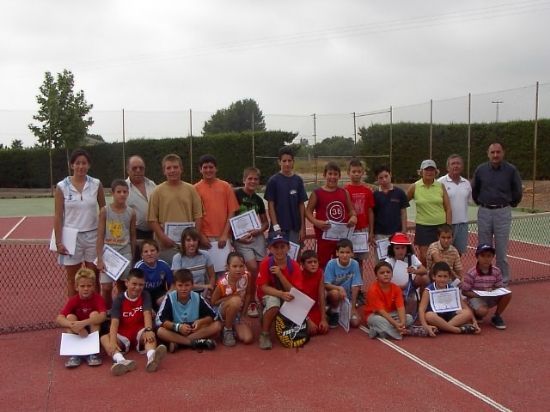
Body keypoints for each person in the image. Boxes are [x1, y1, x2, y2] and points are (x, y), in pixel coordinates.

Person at [54, 148, 106, 296]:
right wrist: (58, 242)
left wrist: (105, 237)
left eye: (84, 163)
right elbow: (58, 216)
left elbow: (103, 211)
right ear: (72, 165)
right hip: (71, 238)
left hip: (93, 237)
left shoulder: (96, 184)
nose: (81, 166)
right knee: (72, 279)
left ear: (88, 165)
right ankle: (73, 314)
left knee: (94, 277)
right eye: (77, 163)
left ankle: (96, 312)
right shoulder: (61, 186)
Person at [100, 268, 167, 376]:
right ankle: (121, 361)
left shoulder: (145, 295)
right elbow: (114, 322)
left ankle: (152, 357)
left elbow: (147, 314)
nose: (137, 287)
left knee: (150, 334)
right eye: (134, 284)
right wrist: (113, 341)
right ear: (126, 283)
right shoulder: (119, 299)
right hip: (122, 334)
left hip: (139, 332)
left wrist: (149, 330)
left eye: (141, 285)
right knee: (104, 338)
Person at [472, 142, 523, 286]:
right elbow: (475, 190)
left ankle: (503, 282)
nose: (495, 155)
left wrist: (510, 204)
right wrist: (483, 203)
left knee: (501, 252)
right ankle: (482, 280)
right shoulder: (480, 170)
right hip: (484, 212)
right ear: (488, 154)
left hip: (503, 212)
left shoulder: (511, 170)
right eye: (492, 152)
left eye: (498, 152)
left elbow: (517, 190)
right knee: (484, 249)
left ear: (503, 153)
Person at [147, 153, 203, 262]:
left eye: (175, 167)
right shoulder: (157, 191)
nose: (172, 170)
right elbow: (151, 219)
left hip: (187, 244)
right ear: (164, 171)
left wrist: (194, 238)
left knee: (186, 275)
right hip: (166, 245)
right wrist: (163, 238)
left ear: (181, 169)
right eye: (168, 168)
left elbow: (198, 216)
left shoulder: (191, 189)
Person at [233, 166, 269, 318]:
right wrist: (237, 236)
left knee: (261, 270)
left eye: (256, 179)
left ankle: (258, 297)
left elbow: (265, 223)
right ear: (244, 180)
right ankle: (250, 299)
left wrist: (258, 231)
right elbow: (229, 218)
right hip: (241, 239)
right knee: (252, 268)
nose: (253, 181)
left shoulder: (258, 200)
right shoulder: (235, 195)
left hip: (257, 237)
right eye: (250, 178)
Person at [305, 162, 357, 269]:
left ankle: (339, 285)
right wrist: (316, 222)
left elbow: (352, 211)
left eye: (335, 174)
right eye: (330, 174)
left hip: (341, 238)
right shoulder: (317, 193)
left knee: (341, 264)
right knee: (323, 264)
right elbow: (308, 211)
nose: (332, 177)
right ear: (324, 175)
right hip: (324, 237)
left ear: (339, 176)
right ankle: (323, 285)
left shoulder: (344, 192)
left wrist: (353, 217)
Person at [156, 269, 221, 352]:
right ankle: (194, 343)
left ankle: (179, 342)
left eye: (187, 285)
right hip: (176, 330)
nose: (183, 288)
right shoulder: (169, 298)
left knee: (217, 325)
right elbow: (160, 321)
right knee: (160, 331)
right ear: (175, 286)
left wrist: (200, 322)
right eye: (180, 285)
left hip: (194, 331)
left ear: (192, 285)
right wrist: (178, 327)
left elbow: (212, 316)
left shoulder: (197, 297)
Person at [256, 233, 302, 350]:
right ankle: (265, 334)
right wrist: (281, 294)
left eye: (282, 247)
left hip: (289, 294)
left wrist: (280, 275)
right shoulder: (266, 263)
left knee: (296, 301)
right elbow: (263, 287)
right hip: (270, 295)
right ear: (270, 248)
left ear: (288, 247)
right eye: (275, 247)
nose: (279, 250)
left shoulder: (294, 266)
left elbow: (294, 290)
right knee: (274, 303)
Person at [96, 179, 136, 309]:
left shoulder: (131, 212)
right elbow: (100, 236)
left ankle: (120, 311)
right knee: (106, 287)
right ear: (112, 193)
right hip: (109, 253)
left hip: (125, 253)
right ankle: (107, 311)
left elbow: (132, 235)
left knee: (123, 285)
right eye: (119, 192)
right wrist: (100, 259)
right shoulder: (105, 211)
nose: (122, 194)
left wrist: (133, 256)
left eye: (125, 192)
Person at [56, 268, 106, 368]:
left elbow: (103, 316)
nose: (86, 289)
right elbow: (59, 318)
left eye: (89, 286)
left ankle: (93, 353)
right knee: (70, 317)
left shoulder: (98, 298)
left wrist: (84, 323)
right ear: (76, 287)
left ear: (93, 287)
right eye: (82, 286)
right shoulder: (73, 300)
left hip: (91, 327)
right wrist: (75, 326)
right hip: (78, 330)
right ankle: (75, 354)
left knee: (95, 315)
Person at [407, 159, 451, 266]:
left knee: (441, 256)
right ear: (421, 172)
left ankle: (439, 279)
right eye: (426, 170)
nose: (429, 172)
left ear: (436, 172)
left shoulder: (440, 186)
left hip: (440, 226)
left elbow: (448, 208)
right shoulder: (414, 186)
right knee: (424, 256)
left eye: (432, 170)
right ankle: (426, 279)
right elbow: (403, 203)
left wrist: (448, 227)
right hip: (423, 227)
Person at [418, 262, 479, 337]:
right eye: (439, 276)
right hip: (436, 316)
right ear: (434, 276)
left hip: (451, 317)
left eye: (445, 276)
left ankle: (442, 328)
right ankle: (457, 330)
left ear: (449, 277)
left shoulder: (452, 289)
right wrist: (425, 325)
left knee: (467, 313)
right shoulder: (428, 290)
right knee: (428, 315)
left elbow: (464, 306)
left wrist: (474, 321)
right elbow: (421, 309)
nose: (442, 279)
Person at [194, 154, 240, 252]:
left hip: (223, 237)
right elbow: (193, 215)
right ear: (200, 169)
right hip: (204, 238)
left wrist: (224, 235)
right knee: (206, 267)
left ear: (216, 168)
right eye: (205, 167)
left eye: (211, 167)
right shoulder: (195, 189)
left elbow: (231, 212)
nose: (208, 170)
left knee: (224, 267)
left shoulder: (226, 186)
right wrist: (200, 236)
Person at [461, 244, 512, 330]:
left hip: (490, 296)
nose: (486, 259)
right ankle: (476, 313)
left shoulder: (496, 271)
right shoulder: (471, 273)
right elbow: (464, 292)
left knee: (508, 292)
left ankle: (496, 316)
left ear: (492, 257)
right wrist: (478, 294)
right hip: (476, 297)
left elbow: (499, 286)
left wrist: (493, 290)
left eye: (489, 256)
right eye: (483, 256)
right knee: (482, 312)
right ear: (477, 257)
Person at [264, 146, 308, 243]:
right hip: (279, 229)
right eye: (284, 161)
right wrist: (276, 226)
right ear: (279, 162)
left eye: (289, 160)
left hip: (295, 229)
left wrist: (302, 227)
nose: (287, 164)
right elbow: (270, 205)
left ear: (293, 161)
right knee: (278, 257)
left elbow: (301, 205)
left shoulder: (298, 180)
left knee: (294, 257)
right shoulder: (273, 181)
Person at [211, 252, 254, 347]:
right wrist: (230, 298)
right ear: (228, 267)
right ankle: (227, 329)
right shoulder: (222, 283)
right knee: (236, 301)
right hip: (221, 311)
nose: (238, 269)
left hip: (237, 312)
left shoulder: (247, 276)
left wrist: (243, 315)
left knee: (248, 338)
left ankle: (231, 325)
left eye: (241, 266)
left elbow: (248, 295)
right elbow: (213, 302)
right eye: (234, 266)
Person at [364, 261, 413, 340]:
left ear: (392, 274)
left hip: (392, 314)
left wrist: (402, 323)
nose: (386, 274)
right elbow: (381, 312)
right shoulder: (373, 290)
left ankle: (378, 331)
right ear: (376, 276)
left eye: (388, 272)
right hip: (375, 315)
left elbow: (400, 307)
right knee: (380, 321)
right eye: (382, 273)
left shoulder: (396, 288)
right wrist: (395, 324)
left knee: (409, 318)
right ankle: (400, 333)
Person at [369, 165, 409, 259]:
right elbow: (372, 214)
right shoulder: (375, 195)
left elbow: (403, 212)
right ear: (377, 179)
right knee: (382, 263)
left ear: (390, 175)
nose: (384, 179)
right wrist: (371, 232)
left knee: (398, 261)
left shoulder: (400, 193)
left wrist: (404, 230)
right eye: (381, 178)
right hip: (380, 234)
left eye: (386, 176)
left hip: (396, 234)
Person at [323, 238, 363, 329]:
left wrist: (353, 308)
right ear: (337, 253)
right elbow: (326, 284)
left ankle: (343, 311)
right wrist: (339, 288)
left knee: (355, 323)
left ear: (352, 253)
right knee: (335, 293)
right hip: (334, 296)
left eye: (348, 252)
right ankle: (332, 311)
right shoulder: (331, 264)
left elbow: (355, 286)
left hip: (346, 299)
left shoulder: (355, 264)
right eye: (342, 252)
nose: (345, 255)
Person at [345, 159, 375, 273]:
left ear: (362, 173)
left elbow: (370, 211)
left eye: (359, 171)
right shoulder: (345, 190)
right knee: (348, 259)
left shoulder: (367, 191)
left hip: (363, 230)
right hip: (349, 230)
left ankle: (358, 287)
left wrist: (371, 231)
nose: (356, 174)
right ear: (349, 173)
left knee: (359, 261)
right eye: (354, 171)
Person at [438, 154, 471, 255]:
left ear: (462, 166)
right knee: (444, 254)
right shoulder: (440, 182)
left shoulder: (466, 183)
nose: (456, 166)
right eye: (453, 164)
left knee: (458, 254)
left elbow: (469, 200)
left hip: (462, 225)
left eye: (458, 163)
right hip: (446, 225)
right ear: (448, 167)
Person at [171, 227, 215, 296]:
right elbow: (179, 282)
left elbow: (212, 275)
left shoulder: (205, 255)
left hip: (203, 291)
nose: (192, 243)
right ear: (183, 242)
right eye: (188, 240)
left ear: (198, 242)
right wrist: (204, 286)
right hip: (184, 292)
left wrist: (210, 288)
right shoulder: (177, 258)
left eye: (194, 240)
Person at [134, 239, 174, 311]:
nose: (149, 254)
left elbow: (172, 285)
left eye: (152, 250)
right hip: (142, 293)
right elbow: (134, 288)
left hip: (159, 292)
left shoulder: (164, 265)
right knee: (146, 308)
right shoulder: (139, 267)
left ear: (158, 253)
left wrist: (167, 295)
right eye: (146, 252)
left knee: (166, 300)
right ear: (141, 255)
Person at [126, 155, 156, 241]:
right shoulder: (123, 189)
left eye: (141, 168)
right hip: (136, 233)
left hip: (155, 232)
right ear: (128, 170)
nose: (138, 170)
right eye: (134, 168)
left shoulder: (152, 184)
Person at [298, 250, 329, 336]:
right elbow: (298, 302)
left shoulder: (320, 273)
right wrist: (308, 320)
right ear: (303, 265)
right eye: (309, 262)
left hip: (314, 308)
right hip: (302, 310)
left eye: (315, 262)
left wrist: (323, 319)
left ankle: (327, 314)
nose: (313, 264)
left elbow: (321, 296)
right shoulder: (299, 276)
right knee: (310, 331)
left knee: (323, 329)